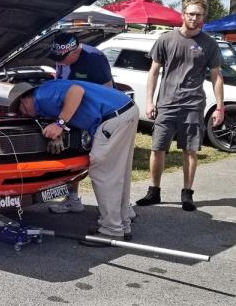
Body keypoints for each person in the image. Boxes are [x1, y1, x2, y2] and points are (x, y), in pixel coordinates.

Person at [9, 80, 139, 243]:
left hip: (113, 116)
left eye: (20, 109)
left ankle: (111, 230)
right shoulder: (47, 94)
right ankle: (122, 224)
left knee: (103, 173)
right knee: (119, 174)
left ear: (24, 100)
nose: (23, 114)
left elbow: (76, 91)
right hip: (124, 110)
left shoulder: (42, 96)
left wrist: (59, 124)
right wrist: (60, 130)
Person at [135, 0, 225, 212]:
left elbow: (216, 76)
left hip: (193, 105)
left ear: (204, 17)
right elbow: (153, 72)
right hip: (166, 104)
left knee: (190, 150)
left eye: (199, 15)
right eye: (191, 14)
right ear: (183, 14)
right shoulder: (166, 39)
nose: (194, 18)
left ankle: (187, 193)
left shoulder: (209, 44)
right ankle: (154, 191)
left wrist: (220, 107)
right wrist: (149, 101)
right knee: (157, 149)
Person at [47, 32, 114, 214]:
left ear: (76, 51)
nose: (60, 61)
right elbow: (60, 81)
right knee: (72, 156)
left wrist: (100, 121)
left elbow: (108, 90)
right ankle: (73, 199)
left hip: (97, 117)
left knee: (100, 163)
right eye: (57, 58)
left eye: (63, 58)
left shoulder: (95, 58)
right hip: (73, 115)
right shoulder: (62, 60)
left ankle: (113, 209)